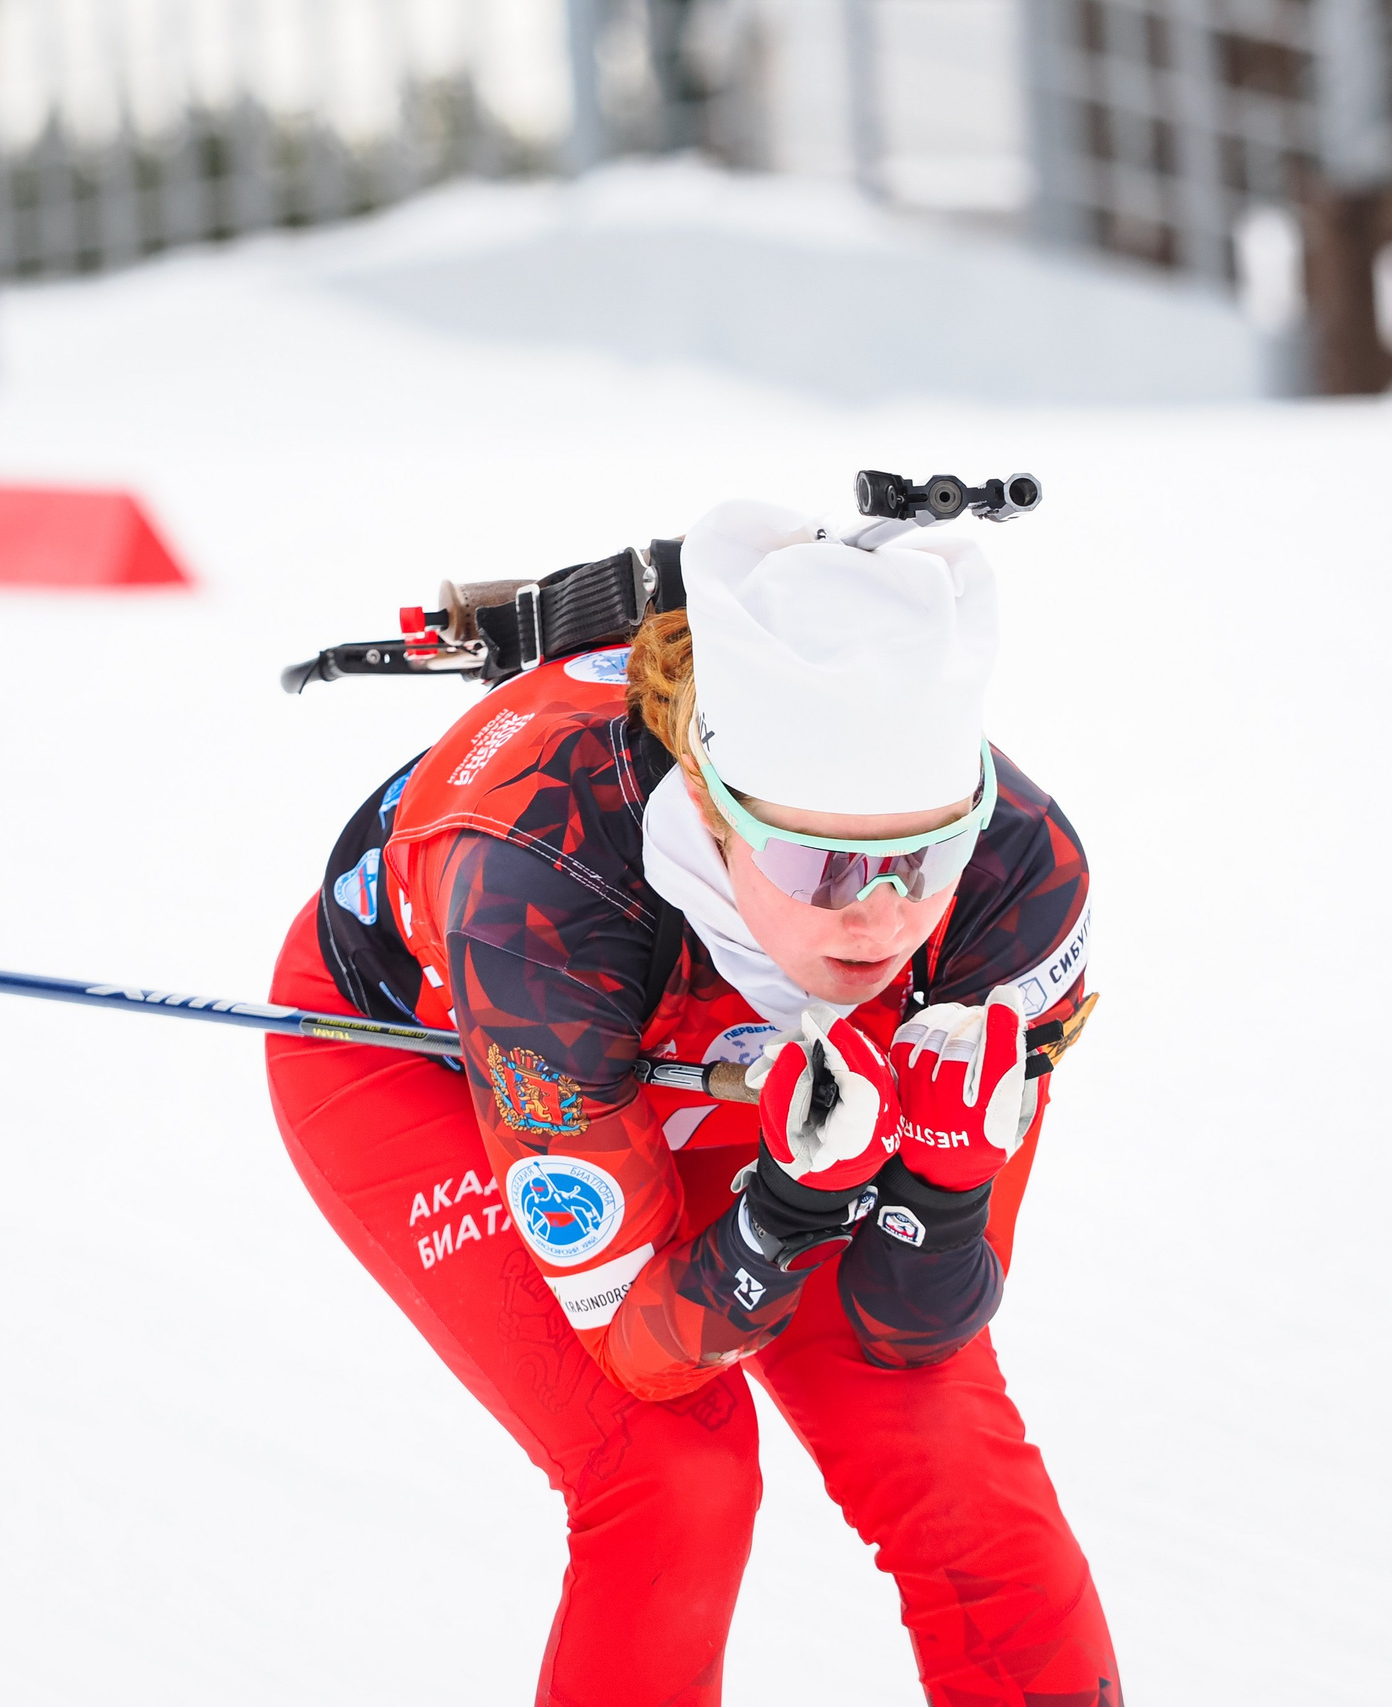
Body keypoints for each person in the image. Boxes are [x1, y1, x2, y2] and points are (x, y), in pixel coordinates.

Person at [265, 499, 1119, 1705]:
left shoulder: (1017, 879)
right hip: (432, 1057)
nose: (877, 917)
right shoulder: (542, 905)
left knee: (942, 1450)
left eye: (921, 856)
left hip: (740, 1041)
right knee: (674, 1478)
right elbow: (646, 1351)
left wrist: (943, 1176)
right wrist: (785, 1215)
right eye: (822, 864)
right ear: (716, 810)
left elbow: (911, 1328)